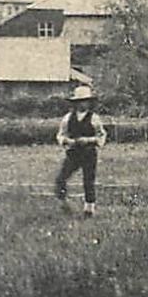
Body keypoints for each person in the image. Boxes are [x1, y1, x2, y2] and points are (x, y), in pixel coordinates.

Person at [55, 85, 107, 217]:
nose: (82, 104)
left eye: (85, 100)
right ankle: (65, 204)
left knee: (88, 181)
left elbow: (101, 136)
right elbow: (61, 135)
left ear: (90, 102)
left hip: (88, 152)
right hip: (73, 153)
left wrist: (89, 140)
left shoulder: (94, 118)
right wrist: (67, 141)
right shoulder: (68, 118)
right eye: (79, 101)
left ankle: (89, 209)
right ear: (75, 103)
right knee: (61, 178)